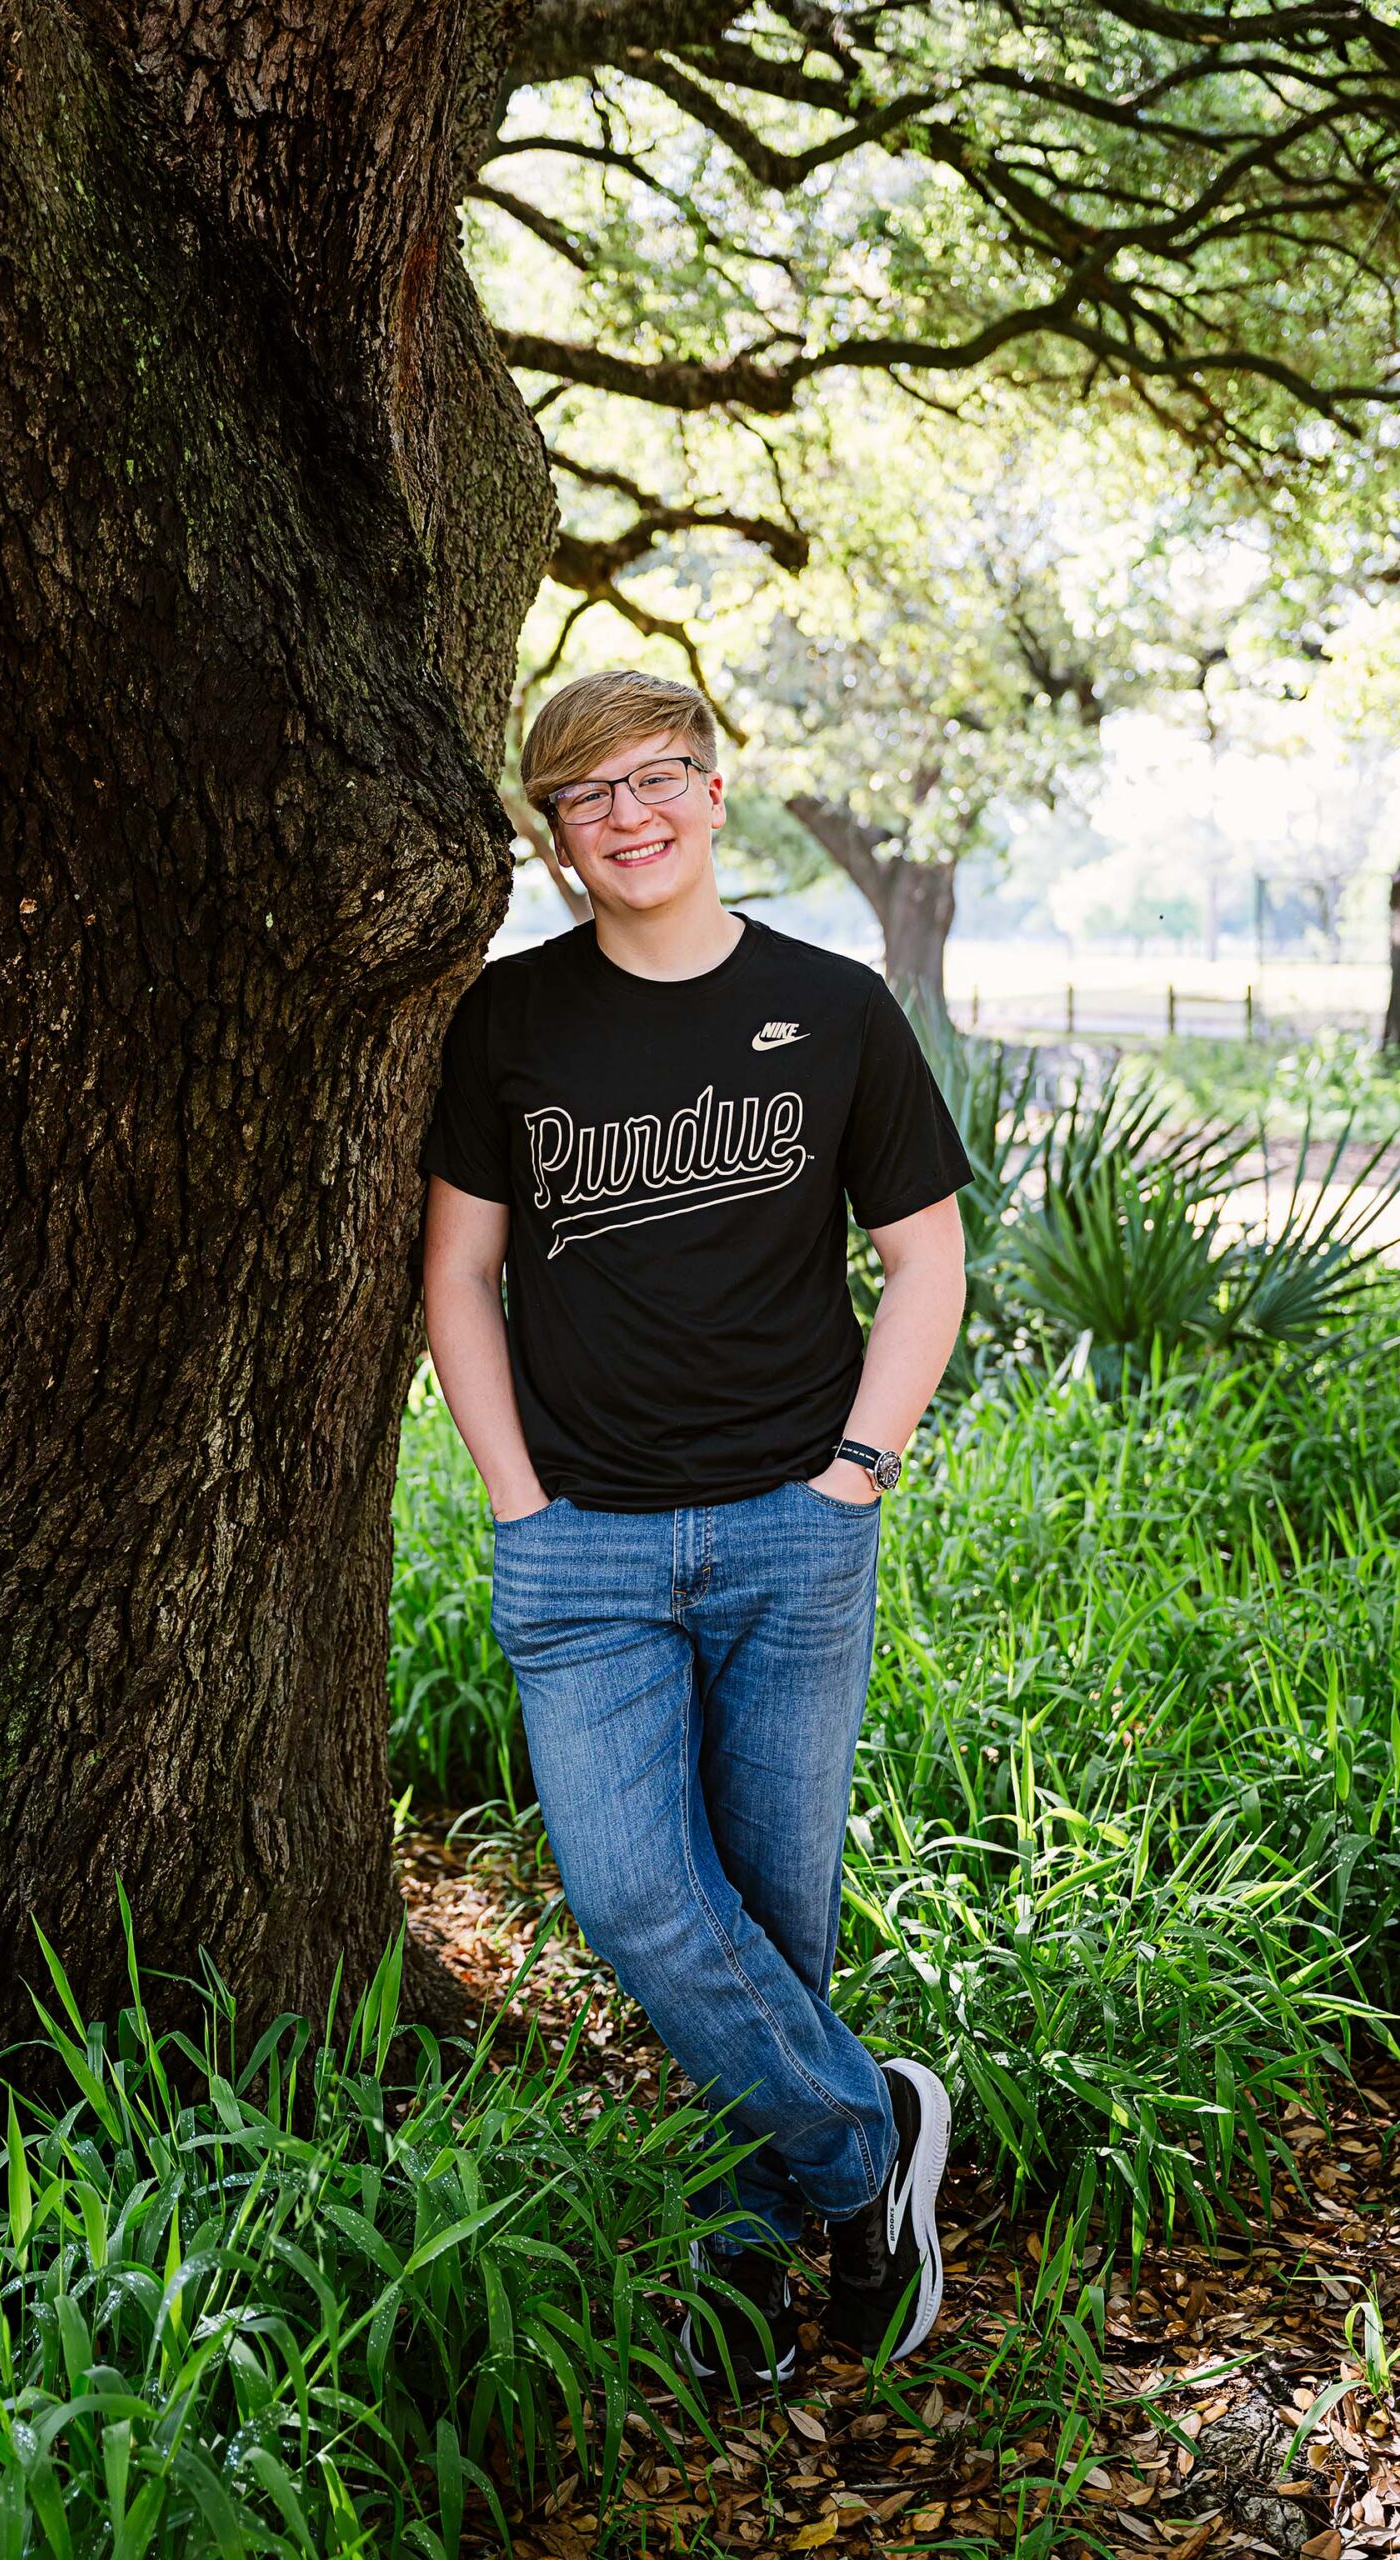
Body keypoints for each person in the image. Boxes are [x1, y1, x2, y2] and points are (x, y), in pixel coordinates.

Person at [419, 668, 971, 2390]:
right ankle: (870, 2148)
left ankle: (745, 2269)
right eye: (588, 797)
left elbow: (927, 1262)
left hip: (796, 1528)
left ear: (717, 792)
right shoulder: (511, 1023)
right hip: (581, 1545)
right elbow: (457, 1276)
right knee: (641, 1898)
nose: (630, 815)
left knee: (770, 1917)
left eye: (659, 777)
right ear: (557, 839)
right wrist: (519, 1502)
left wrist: (855, 1474)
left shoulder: (837, 1007)